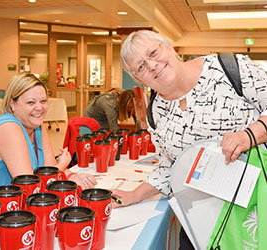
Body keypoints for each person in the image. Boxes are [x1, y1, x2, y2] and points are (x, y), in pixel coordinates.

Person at [112, 30, 267, 249]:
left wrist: (249, 136)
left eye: (153, 53)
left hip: (255, 206)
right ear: (138, 79)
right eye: (141, 67)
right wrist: (135, 195)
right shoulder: (156, 112)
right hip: (202, 218)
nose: (152, 65)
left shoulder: (227, 69)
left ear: (170, 47)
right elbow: (170, 167)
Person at [0, 73, 96, 189]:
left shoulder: (38, 126)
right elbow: (29, 187)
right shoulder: (8, 129)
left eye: (43, 101)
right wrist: (61, 166)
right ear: (12, 104)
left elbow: (49, 166)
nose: (39, 108)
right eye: (30, 102)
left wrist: (72, 176)